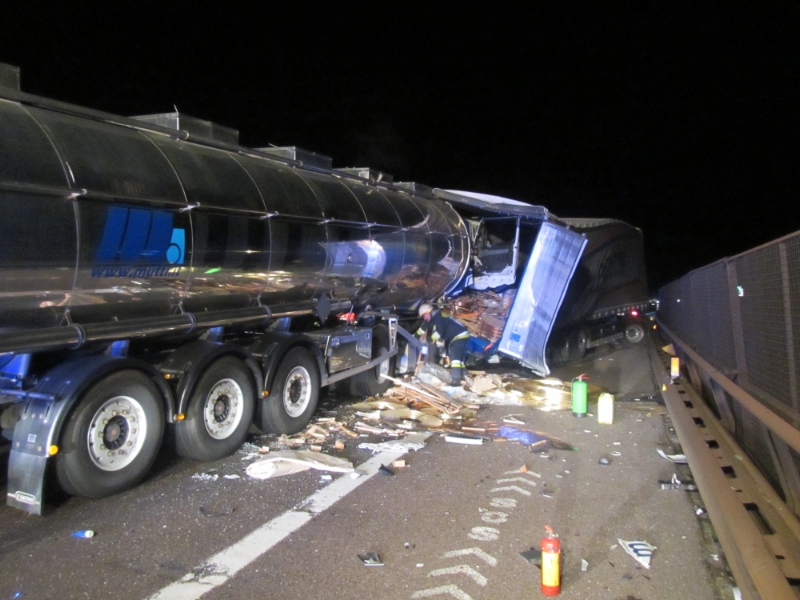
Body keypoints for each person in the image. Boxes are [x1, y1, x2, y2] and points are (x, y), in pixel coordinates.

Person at [416, 303, 470, 384]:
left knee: (455, 358)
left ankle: (456, 379)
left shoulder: (438, 317)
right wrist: (416, 335)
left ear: (429, 312)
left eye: (424, 315)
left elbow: (439, 332)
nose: (424, 318)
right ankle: (463, 375)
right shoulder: (434, 317)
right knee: (459, 359)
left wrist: (430, 340)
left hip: (459, 336)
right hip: (460, 335)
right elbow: (424, 326)